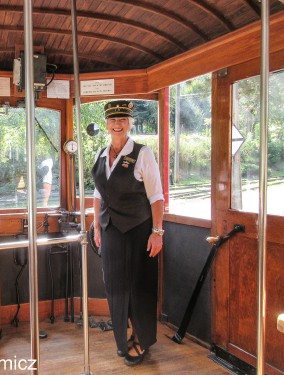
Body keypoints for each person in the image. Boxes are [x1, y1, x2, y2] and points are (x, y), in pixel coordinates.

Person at [91, 100, 164, 366]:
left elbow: (156, 197)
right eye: (113, 120)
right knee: (115, 288)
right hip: (110, 230)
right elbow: (99, 192)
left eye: (123, 119)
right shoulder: (101, 154)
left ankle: (140, 338)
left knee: (137, 287)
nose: (117, 124)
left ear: (131, 123)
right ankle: (123, 339)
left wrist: (157, 232)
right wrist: (96, 224)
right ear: (107, 124)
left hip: (137, 231)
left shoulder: (143, 153)